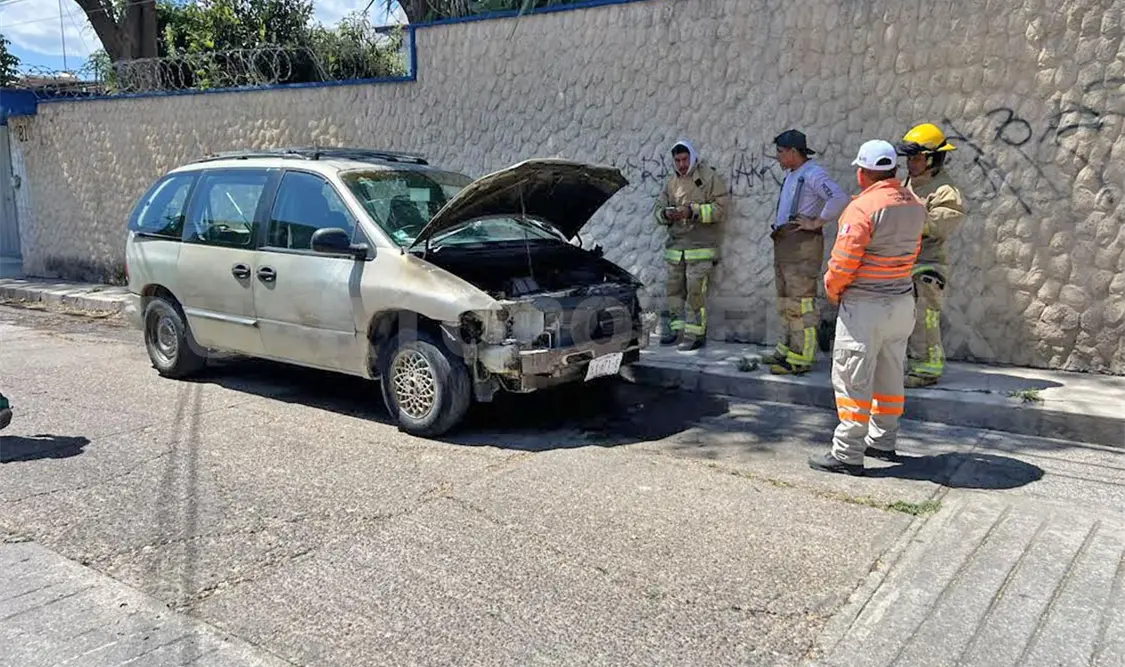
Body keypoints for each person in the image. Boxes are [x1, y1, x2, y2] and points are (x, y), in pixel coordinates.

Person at [808, 139, 927, 476]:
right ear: (892, 170)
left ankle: (847, 453)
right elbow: (915, 249)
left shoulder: (863, 208)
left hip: (866, 306)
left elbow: (844, 261)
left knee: (852, 379)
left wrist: (833, 289)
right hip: (901, 302)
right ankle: (883, 441)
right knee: (890, 374)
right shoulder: (914, 203)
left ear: (863, 173)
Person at [764, 129, 849, 375]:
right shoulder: (794, 174)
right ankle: (786, 348)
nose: (778, 157)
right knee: (786, 300)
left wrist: (816, 222)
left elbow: (839, 198)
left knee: (800, 302)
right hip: (786, 244)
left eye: (780, 152)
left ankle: (801, 356)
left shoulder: (813, 173)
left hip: (801, 247)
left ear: (793, 152)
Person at [896, 123, 966, 388]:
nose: (910, 164)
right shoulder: (908, 184)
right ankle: (913, 363)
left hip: (927, 266)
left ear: (932, 158)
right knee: (906, 319)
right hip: (905, 263)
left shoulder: (945, 191)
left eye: (916, 158)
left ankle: (927, 369)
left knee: (924, 318)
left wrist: (903, 219)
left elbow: (940, 224)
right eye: (909, 158)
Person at [653, 139, 732, 351]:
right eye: (677, 160)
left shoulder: (708, 178)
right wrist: (667, 214)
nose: (681, 164)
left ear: (693, 157)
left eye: (685, 159)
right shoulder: (671, 183)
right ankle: (676, 331)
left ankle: (696, 334)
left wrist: (692, 211)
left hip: (700, 248)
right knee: (674, 291)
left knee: (695, 292)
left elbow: (721, 209)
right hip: (676, 250)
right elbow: (657, 210)